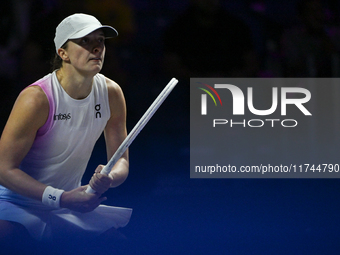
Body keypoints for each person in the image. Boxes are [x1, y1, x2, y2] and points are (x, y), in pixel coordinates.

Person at [0, 13, 131, 253]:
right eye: (84, 41)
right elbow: (4, 169)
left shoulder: (112, 93)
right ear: (63, 53)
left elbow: (121, 160)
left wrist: (110, 177)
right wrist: (60, 197)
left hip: (68, 204)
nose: (96, 47)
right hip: (15, 204)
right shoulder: (36, 99)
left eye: (100, 40)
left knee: (121, 246)